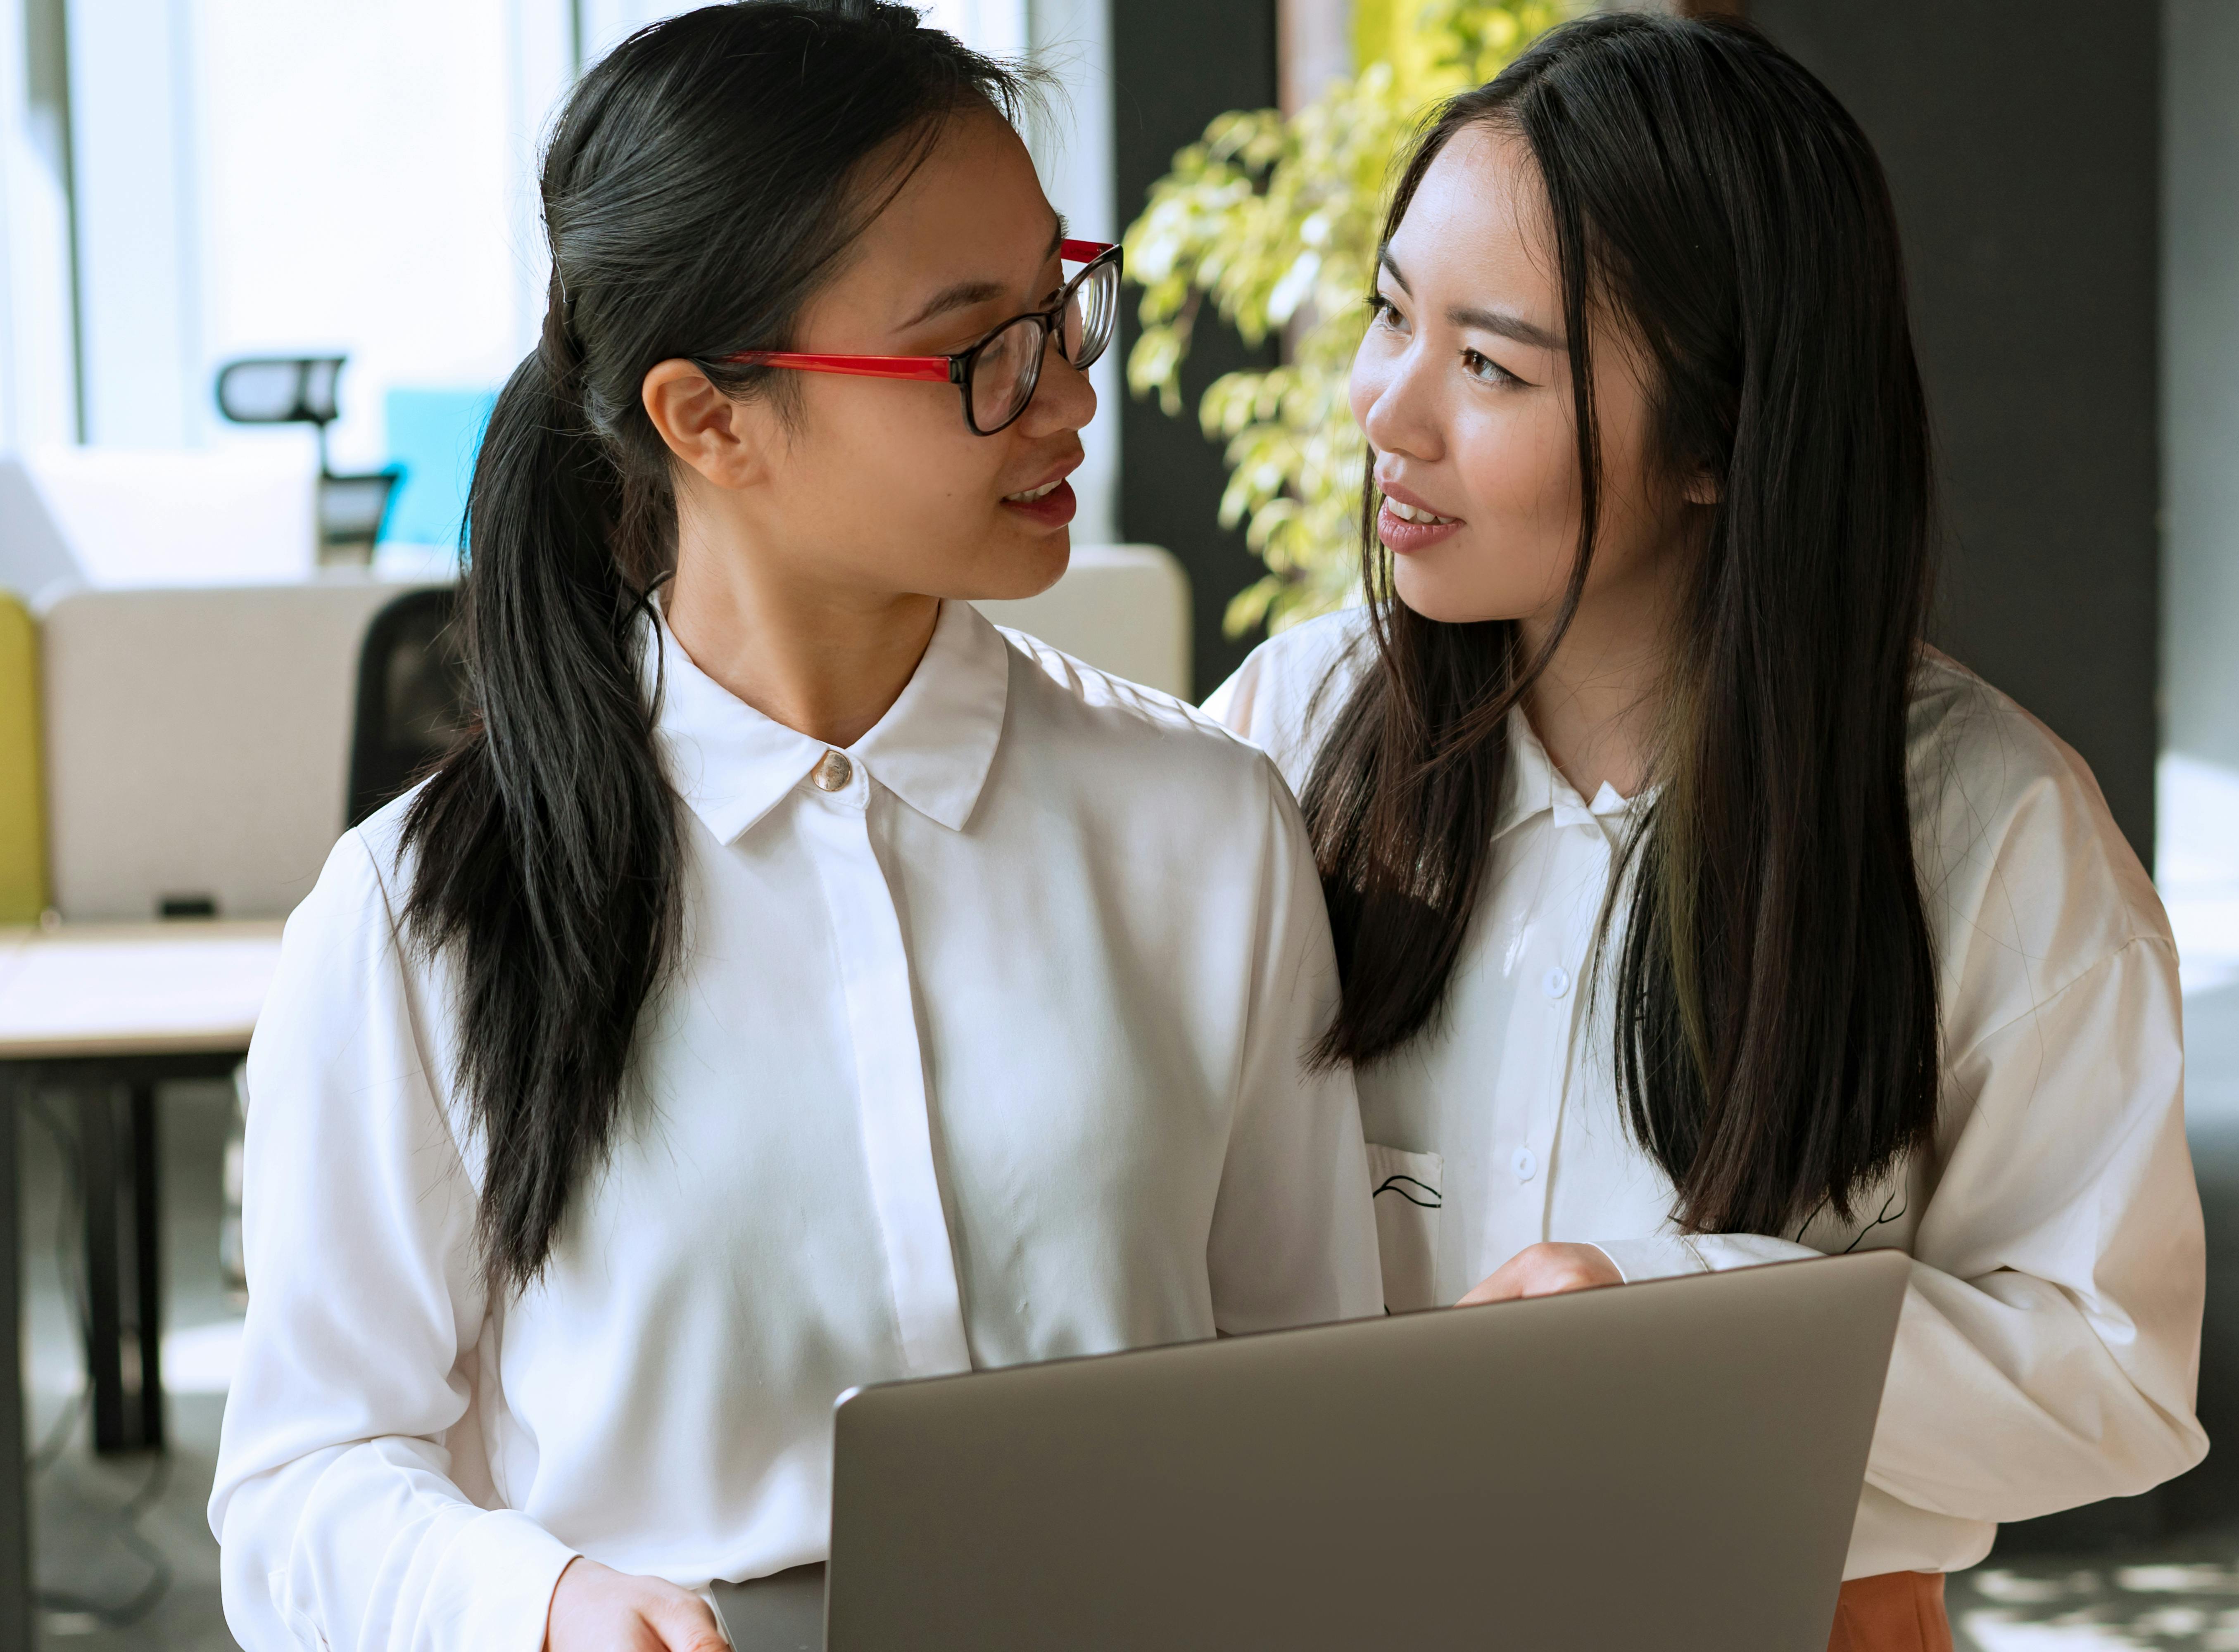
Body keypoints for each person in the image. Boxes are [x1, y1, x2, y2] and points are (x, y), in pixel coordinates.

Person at [210, 7, 1381, 1648]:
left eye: (1063, 304)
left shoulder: (1202, 827)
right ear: (709, 419)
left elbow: (1318, 1400)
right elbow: (304, 1486)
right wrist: (540, 1601)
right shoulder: (425, 912)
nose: (1065, 398)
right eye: (979, 346)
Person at [1206, 14, 2206, 1648]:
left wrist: (1678, 1335)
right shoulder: (1289, 730)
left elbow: (2112, 1369)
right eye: (1394, 315)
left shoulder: (1988, 826)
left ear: (1719, 444)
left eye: (1491, 364)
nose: (1388, 410)